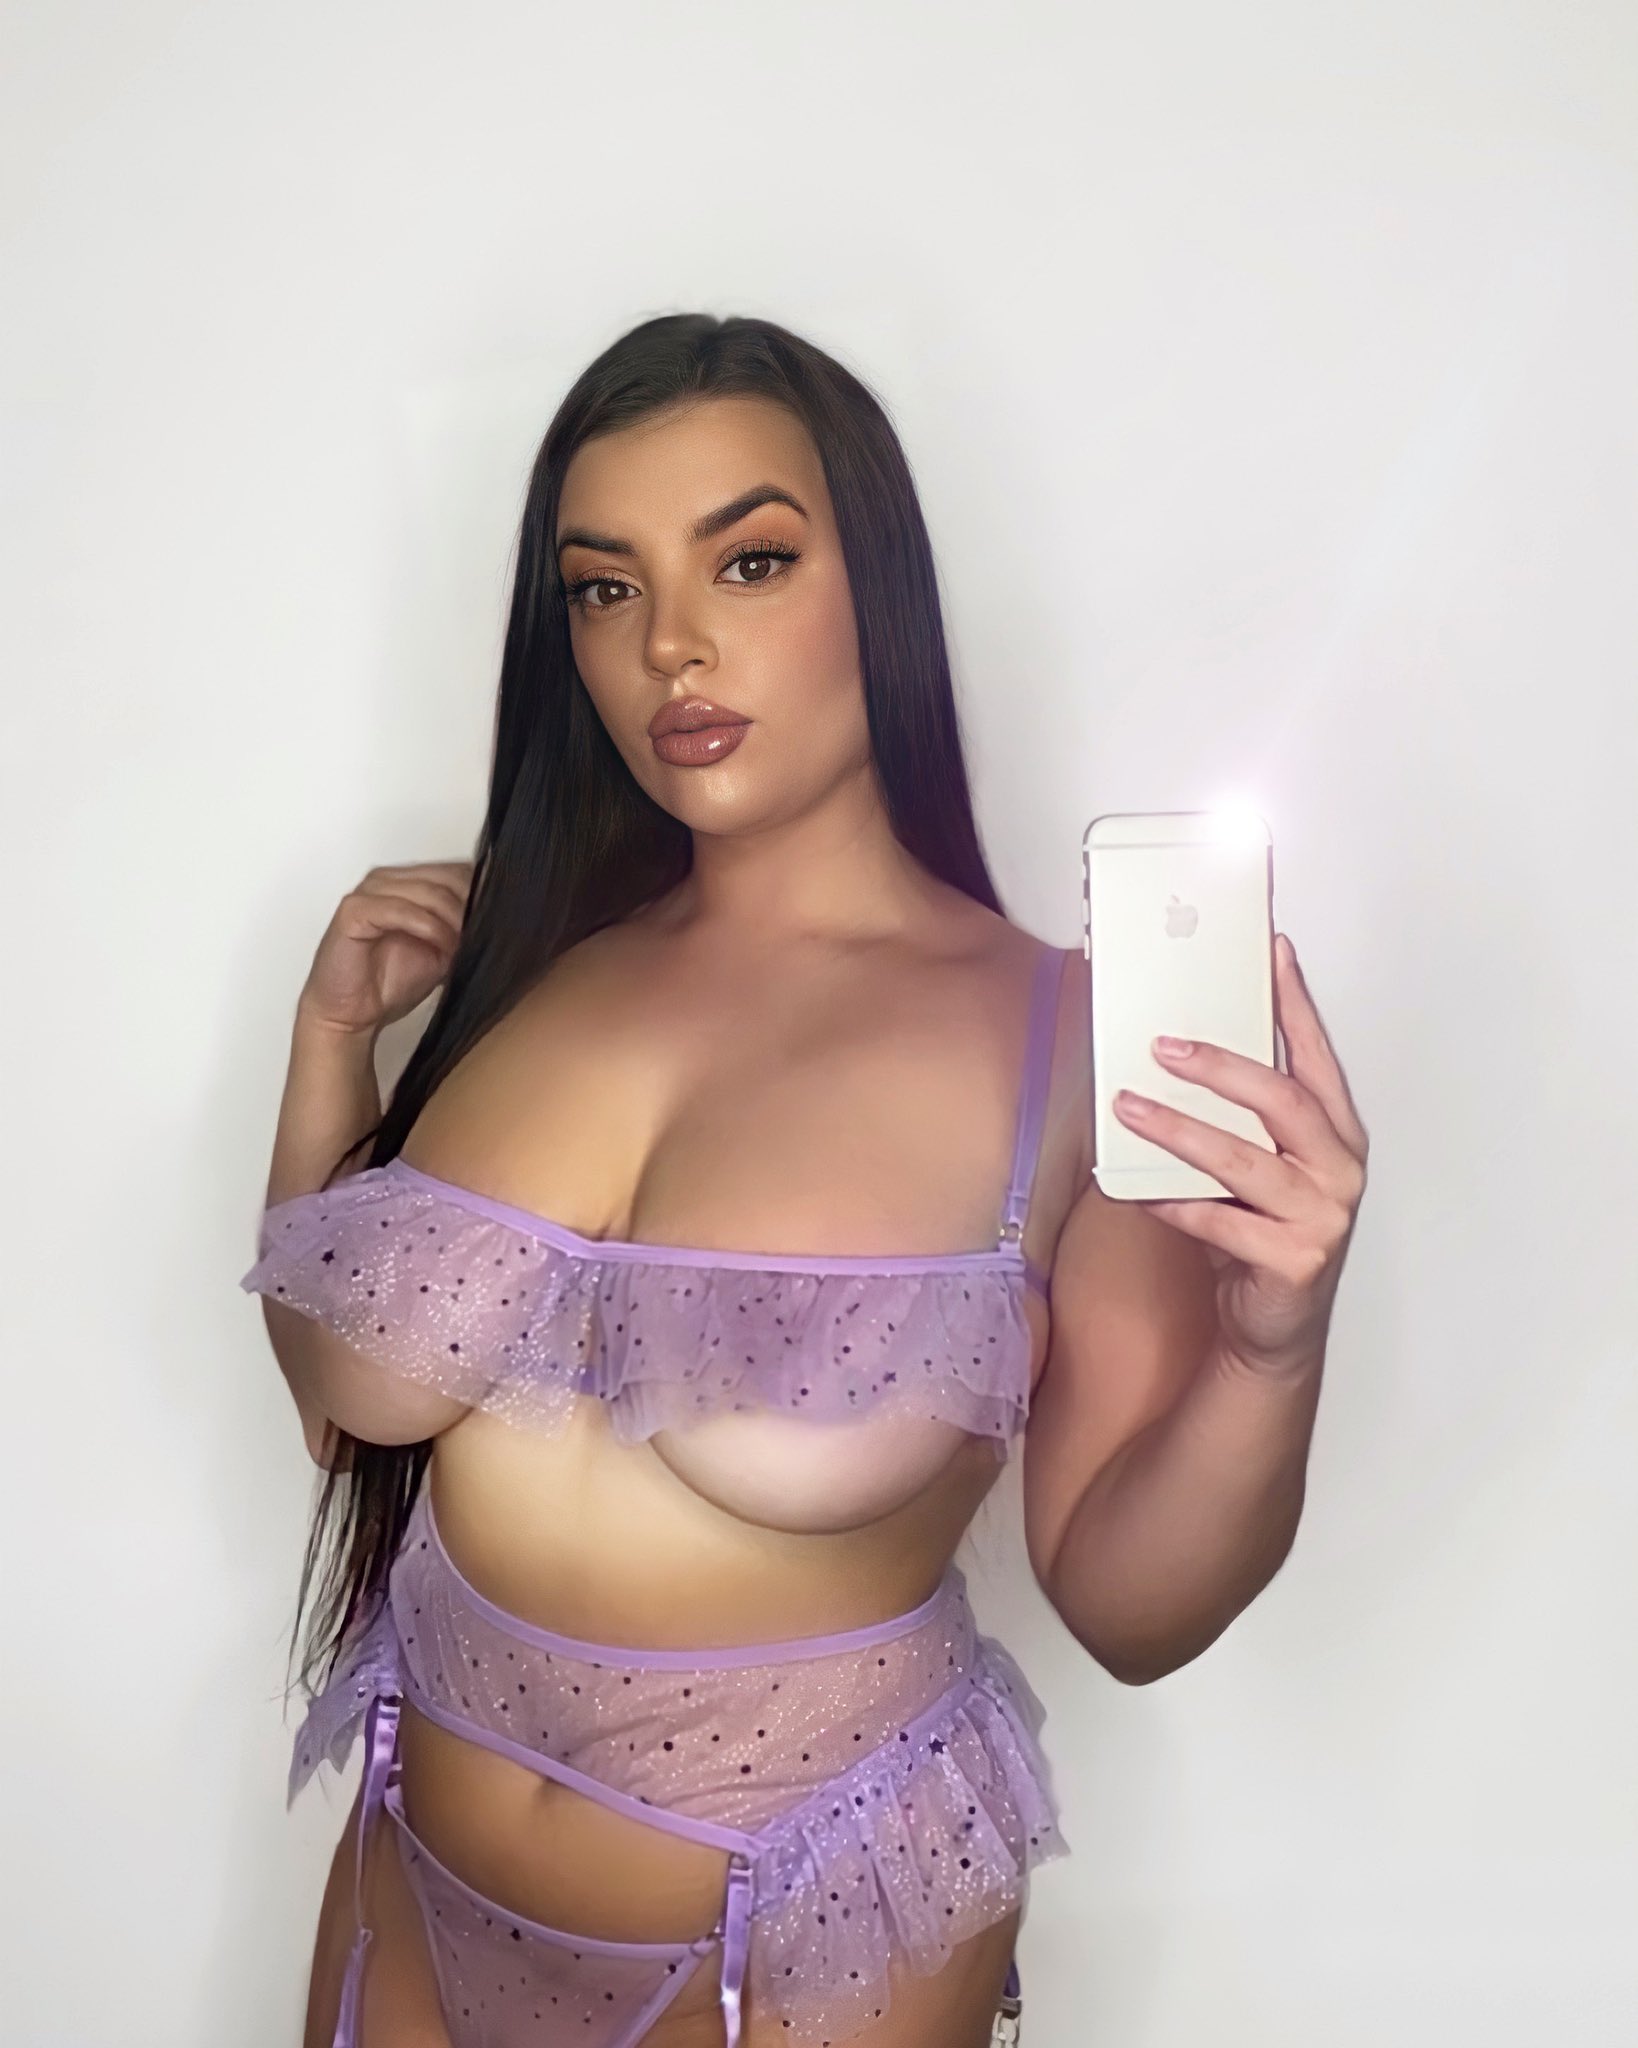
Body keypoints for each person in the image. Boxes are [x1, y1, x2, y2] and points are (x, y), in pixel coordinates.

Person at [242, 313, 1367, 2048]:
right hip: (408, 1885)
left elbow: (1127, 1609)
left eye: (749, 560)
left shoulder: (1059, 1049)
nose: (669, 645)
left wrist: (1270, 1348)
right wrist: (331, 1046)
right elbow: (347, 1418)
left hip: (804, 1941)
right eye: (603, 588)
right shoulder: (530, 963)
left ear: (878, 592)